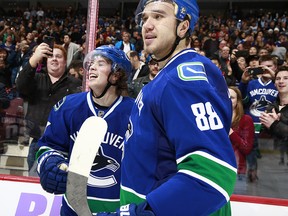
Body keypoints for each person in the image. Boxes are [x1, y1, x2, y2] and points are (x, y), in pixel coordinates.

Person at [98, 0, 237, 215]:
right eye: (144, 18)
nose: (147, 25)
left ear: (183, 27)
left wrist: (145, 212)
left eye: (159, 16)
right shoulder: (165, 77)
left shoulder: (184, 78)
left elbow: (212, 174)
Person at [36, 45, 134, 215]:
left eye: (101, 63)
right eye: (91, 64)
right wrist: (51, 164)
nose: (92, 67)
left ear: (117, 74)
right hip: (73, 209)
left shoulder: (135, 112)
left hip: (118, 210)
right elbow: (49, 146)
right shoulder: (68, 106)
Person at [16, 43, 82, 174]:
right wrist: (34, 59)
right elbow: (21, 85)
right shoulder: (36, 79)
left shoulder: (76, 85)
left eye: (59, 56)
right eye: (51, 56)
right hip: (37, 142)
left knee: (57, 184)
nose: (54, 59)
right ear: (46, 61)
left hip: (64, 147)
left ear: (65, 61)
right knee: (33, 184)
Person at [238, 54, 278, 182]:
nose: (266, 69)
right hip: (253, 122)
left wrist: (275, 78)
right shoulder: (252, 83)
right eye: (263, 67)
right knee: (252, 147)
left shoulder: (280, 82)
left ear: (275, 67)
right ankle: (252, 170)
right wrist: (243, 82)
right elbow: (242, 100)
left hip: (272, 123)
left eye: (270, 66)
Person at [260, 66, 288, 166]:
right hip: (270, 163)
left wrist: (275, 124)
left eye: (286, 78)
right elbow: (264, 138)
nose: (281, 81)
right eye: (278, 79)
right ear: (274, 84)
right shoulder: (270, 107)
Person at [228, 86, 254, 194]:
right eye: (225, 96)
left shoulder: (245, 120)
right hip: (218, 170)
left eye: (232, 97)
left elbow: (246, 148)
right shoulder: (215, 118)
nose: (228, 99)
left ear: (238, 101)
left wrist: (231, 133)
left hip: (237, 172)